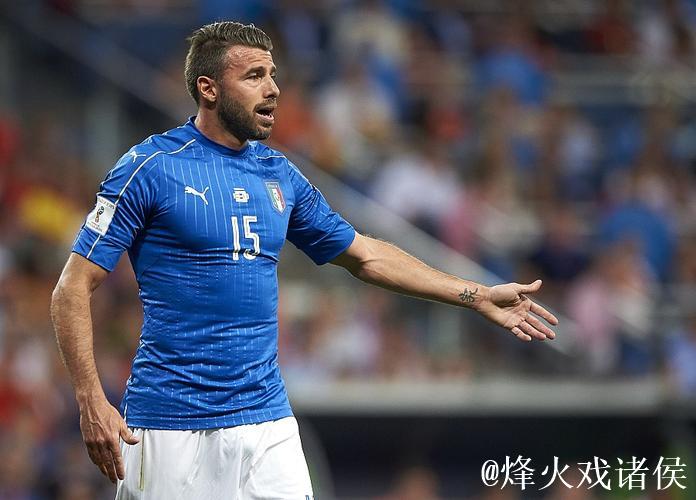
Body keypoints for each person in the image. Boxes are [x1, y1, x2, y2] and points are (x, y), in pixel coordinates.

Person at [50, 21, 558, 500]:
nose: (273, 89)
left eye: (273, 75)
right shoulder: (149, 168)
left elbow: (365, 256)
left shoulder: (279, 175)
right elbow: (71, 287)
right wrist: (90, 398)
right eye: (254, 76)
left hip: (266, 420)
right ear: (209, 89)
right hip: (171, 423)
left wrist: (475, 295)